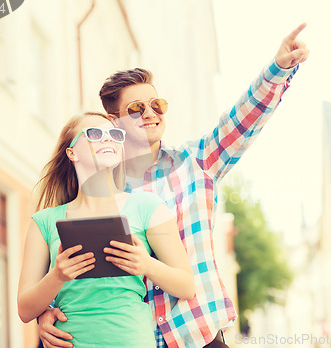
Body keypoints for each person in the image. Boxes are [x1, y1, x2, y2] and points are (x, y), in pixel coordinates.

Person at [38, 23, 309, 348]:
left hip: (198, 333)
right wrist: (48, 311)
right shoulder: (96, 182)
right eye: (136, 109)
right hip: (137, 339)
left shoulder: (197, 161)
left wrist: (278, 69)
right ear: (114, 121)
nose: (150, 113)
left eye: (157, 105)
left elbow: (242, 120)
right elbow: (64, 256)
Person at [17, 113, 195, 347]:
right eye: (94, 134)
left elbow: (186, 286)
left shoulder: (148, 207)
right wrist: (57, 276)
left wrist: (146, 264)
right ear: (71, 153)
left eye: (114, 134)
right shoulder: (44, 222)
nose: (107, 139)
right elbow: (25, 310)